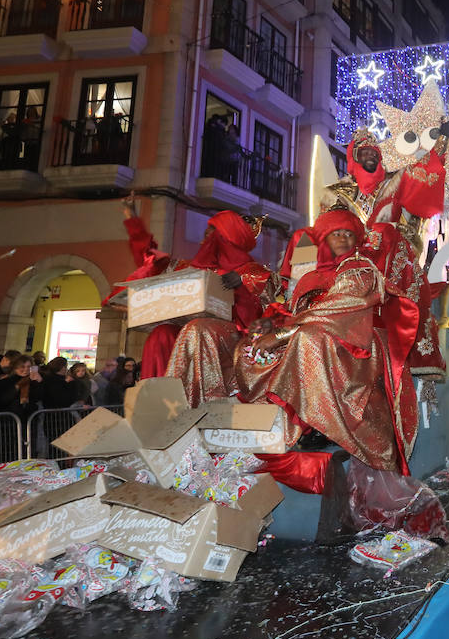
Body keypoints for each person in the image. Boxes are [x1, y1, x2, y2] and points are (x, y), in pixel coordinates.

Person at [221, 208, 417, 475]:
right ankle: (267, 419)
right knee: (250, 344)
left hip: (350, 346)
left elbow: (337, 310)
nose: (343, 239)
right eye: (335, 233)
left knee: (308, 339)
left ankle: (318, 424)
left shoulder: (360, 269)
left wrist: (280, 336)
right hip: (310, 335)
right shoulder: (312, 276)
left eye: (349, 234)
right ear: (323, 239)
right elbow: (287, 302)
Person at [111, 193, 276, 387]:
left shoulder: (255, 273)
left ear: (230, 237)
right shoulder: (186, 268)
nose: (208, 235)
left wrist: (241, 287)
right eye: (208, 230)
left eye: (216, 232)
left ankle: (194, 393)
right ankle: (158, 394)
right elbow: (151, 261)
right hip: (187, 328)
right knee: (161, 334)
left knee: (197, 328)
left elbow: (260, 322)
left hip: (231, 337)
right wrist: (132, 218)